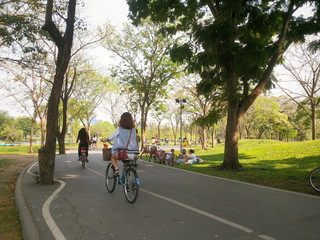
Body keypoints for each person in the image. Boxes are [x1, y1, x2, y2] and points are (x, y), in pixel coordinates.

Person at [105, 112, 139, 176]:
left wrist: (106, 140)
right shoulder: (134, 130)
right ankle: (128, 183)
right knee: (127, 168)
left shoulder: (119, 129)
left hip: (123, 154)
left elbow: (111, 137)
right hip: (133, 154)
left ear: (122, 120)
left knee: (112, 157)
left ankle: (116, 169)